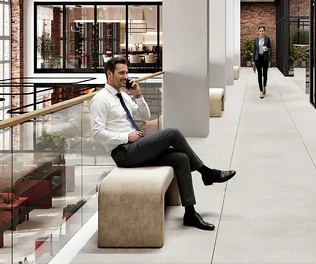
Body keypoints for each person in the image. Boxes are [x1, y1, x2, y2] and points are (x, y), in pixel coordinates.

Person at [90, 57, 236, 231]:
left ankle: (190, 213)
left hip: (136, 147)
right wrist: (125, 137)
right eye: (121, 73)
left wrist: (138, 95)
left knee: (181, 158)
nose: (126, 76)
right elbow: (97, 133)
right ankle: (206, 172)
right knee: (172, 133)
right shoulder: (100, 99)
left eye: (127, 72)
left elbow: (145, 115)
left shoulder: (123, 96)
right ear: (109, 74)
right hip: (123, 153)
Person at [252, 26, 271, 99]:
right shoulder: (256, 40)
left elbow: (270, 48)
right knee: (259, 74)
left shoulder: (267, 39)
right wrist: (253, 60)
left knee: (265, 74)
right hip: (258, 58)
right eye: (260, 31)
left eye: (262, 31)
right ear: (258, 32)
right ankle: (261, 91)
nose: (261, 32)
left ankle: (264, 86)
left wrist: (267, 49)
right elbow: (254, 50)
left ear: (264, 31)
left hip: (265, 58)